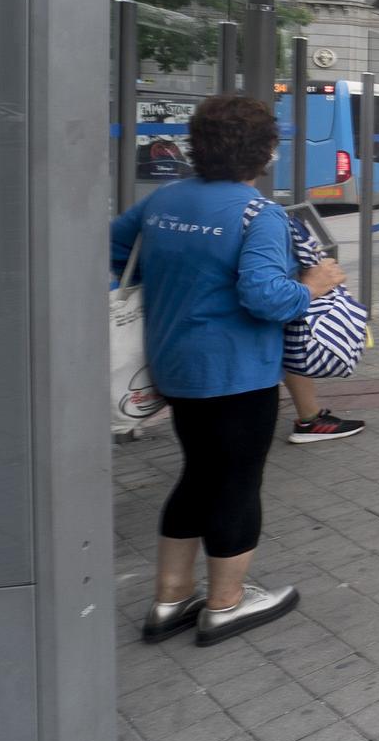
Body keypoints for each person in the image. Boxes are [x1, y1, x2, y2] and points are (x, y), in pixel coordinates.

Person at [109, 94, 344, 647]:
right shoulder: (256, 213)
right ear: (265, 150)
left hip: (172, 366)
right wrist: (314, 284)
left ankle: (170, 600)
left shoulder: (163, 200)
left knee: (197, 473)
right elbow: (265, 298)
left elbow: (117, 253)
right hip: (238, 374)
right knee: (236, 483)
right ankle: (225, 603)